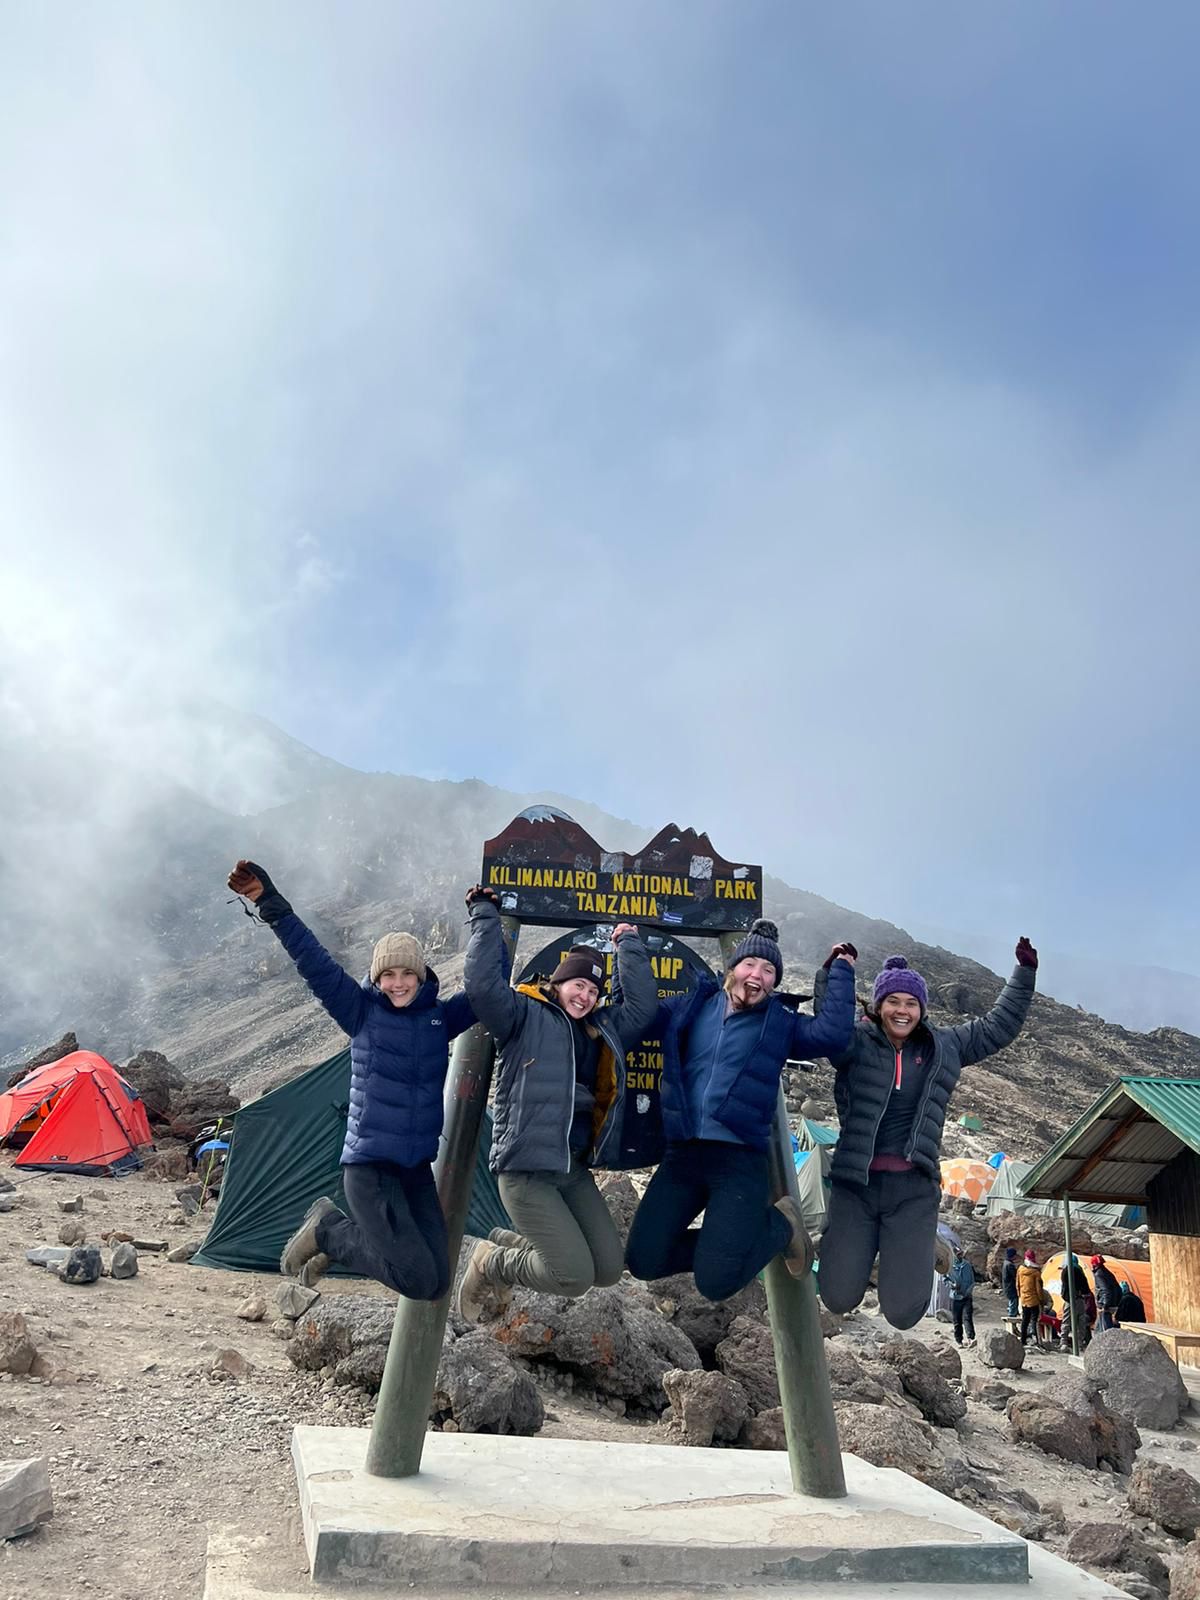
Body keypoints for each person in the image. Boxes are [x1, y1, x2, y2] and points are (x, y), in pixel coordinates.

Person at [227, 859, 475, 1298]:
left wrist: (490, 918)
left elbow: (488, 990)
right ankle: (328, 1231)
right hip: (370, 1171)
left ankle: (336, 1243)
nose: (398, 983)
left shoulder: (440, 1018)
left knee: (437, 1282)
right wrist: (271, 903)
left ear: (421, 975)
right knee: (418, 1280)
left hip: (414, 1171)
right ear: (377, 978)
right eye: (388, 974)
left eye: (407, 973)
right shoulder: (361, 1012)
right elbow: (314, 961)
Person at [624, 924, 857, 1302]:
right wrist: (629, 947)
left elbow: (832, 1035)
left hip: (739, 1160)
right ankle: (728, 1245)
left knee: (716, 1282)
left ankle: (782, 1224)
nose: (757, 975)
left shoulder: (779, 1023)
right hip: (682, 1154)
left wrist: (839, 971)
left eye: (768, 971)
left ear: (774, 982)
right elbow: (641, 1015)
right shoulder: (693, 1004)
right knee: (643, 1260)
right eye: (750, 964)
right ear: (733, 968)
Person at [456, 886, 658, 1321]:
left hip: (571, 1171)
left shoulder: (598, 1029)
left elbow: (641, 1011)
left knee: (606, 1270)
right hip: (525, 1172)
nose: (584, 996)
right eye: (577, 984)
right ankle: (492, 1262)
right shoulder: (522, 1014)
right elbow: (481, 985)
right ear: (559, 981)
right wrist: (486, 916)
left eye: (593, 990)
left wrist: (628, 942)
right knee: (573, 1276)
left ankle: (510, 1244)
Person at [814, 939, 1038, 1330]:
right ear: (879, 1005)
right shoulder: (853, 1042)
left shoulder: (944, 1046)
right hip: (856, 1188)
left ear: (922, 1009)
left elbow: (998, 1027)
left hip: (912, 1192)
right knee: (836, 1296)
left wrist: (1023, 974)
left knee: (903, 1313)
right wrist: (835, 971)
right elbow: (827, 1021)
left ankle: (918, 1246)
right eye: (893, 1001)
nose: (902, 1010)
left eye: (911, 1003)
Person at [1059, 1253, 1093, 1350]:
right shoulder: (1079, 1270)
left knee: (1066, 1321)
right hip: (1079, 1299)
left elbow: (1064, 1287)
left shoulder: (1065, 1270)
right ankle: (1079, 1343)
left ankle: (1063, 1342)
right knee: (1080, 1321)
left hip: (1069, 1301)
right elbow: (1085, 1287)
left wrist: (1066, 1298)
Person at [947, 1245, 976, 1347]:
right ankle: (959, 1340)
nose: (960, 1256)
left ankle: (970, 1338)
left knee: (968, 1317)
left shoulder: (967, 1265)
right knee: (957, 1320)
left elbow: (972, 1281)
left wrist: (968, 1291)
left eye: (961, 1254)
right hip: (955, 1297)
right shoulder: (950, 1267)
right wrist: (951, 1285)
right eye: (958, 1255)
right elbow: (945, 1279)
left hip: (967, 1297)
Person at [1017, 1250, 1044, 1347]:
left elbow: (1018, 1285)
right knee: (1034, 1320)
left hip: (1024, 1299)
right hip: (1034, 1300)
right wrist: (1041, 1300)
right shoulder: (1036, 1273)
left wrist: (1020, 1296)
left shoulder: (1020, 1270)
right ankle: (1036, 1339)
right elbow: (1038, 1289)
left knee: (1025, 1320)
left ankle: (1023, 1340)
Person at [1091, 1254, 1122, 1332]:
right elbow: (1117, 1288)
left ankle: (1108, 1342)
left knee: (1105, 1328)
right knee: (1100, 1326)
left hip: (1105, 1305)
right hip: (1113, 1302)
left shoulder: (1099, 1274)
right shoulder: (1108, 1273)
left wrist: (1105, 1305)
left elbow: (1105, 1290)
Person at [1001, 1247, 1020, 1319]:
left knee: (1011, 1302)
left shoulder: (1005, 1263)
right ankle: (1012, 1317)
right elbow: (1015, 1276)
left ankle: (1011, 1314)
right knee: (1013, 1302)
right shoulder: (1009, 1265)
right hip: (1011, 1287)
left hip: (1007, 1287)